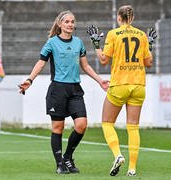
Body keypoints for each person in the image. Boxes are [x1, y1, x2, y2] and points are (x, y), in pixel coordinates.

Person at [18, 10, 109, 175]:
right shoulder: (52, 43)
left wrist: (100, 80)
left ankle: (68, 156)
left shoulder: (79, 42)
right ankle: (60, 163)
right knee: (58, 127)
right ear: (60, 24)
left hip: (75, 89)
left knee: (81, 125)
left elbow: (85, 66)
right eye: (67, 22)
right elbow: (40, 63)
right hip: (58, 90)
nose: (70, 24)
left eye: (72, 22)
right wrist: (29, 80)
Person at [86, 5, 157, 177]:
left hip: (120, 84)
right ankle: (132, 169)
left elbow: (103, 60)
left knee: (107, 123)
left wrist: (96, 43)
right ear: (132, 18)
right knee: (133, 127)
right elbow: (148, 63)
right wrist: (150, 44)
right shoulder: (141, 35)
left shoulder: (113, 34)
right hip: (138, 85)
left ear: (119, 18)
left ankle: (118, 155)